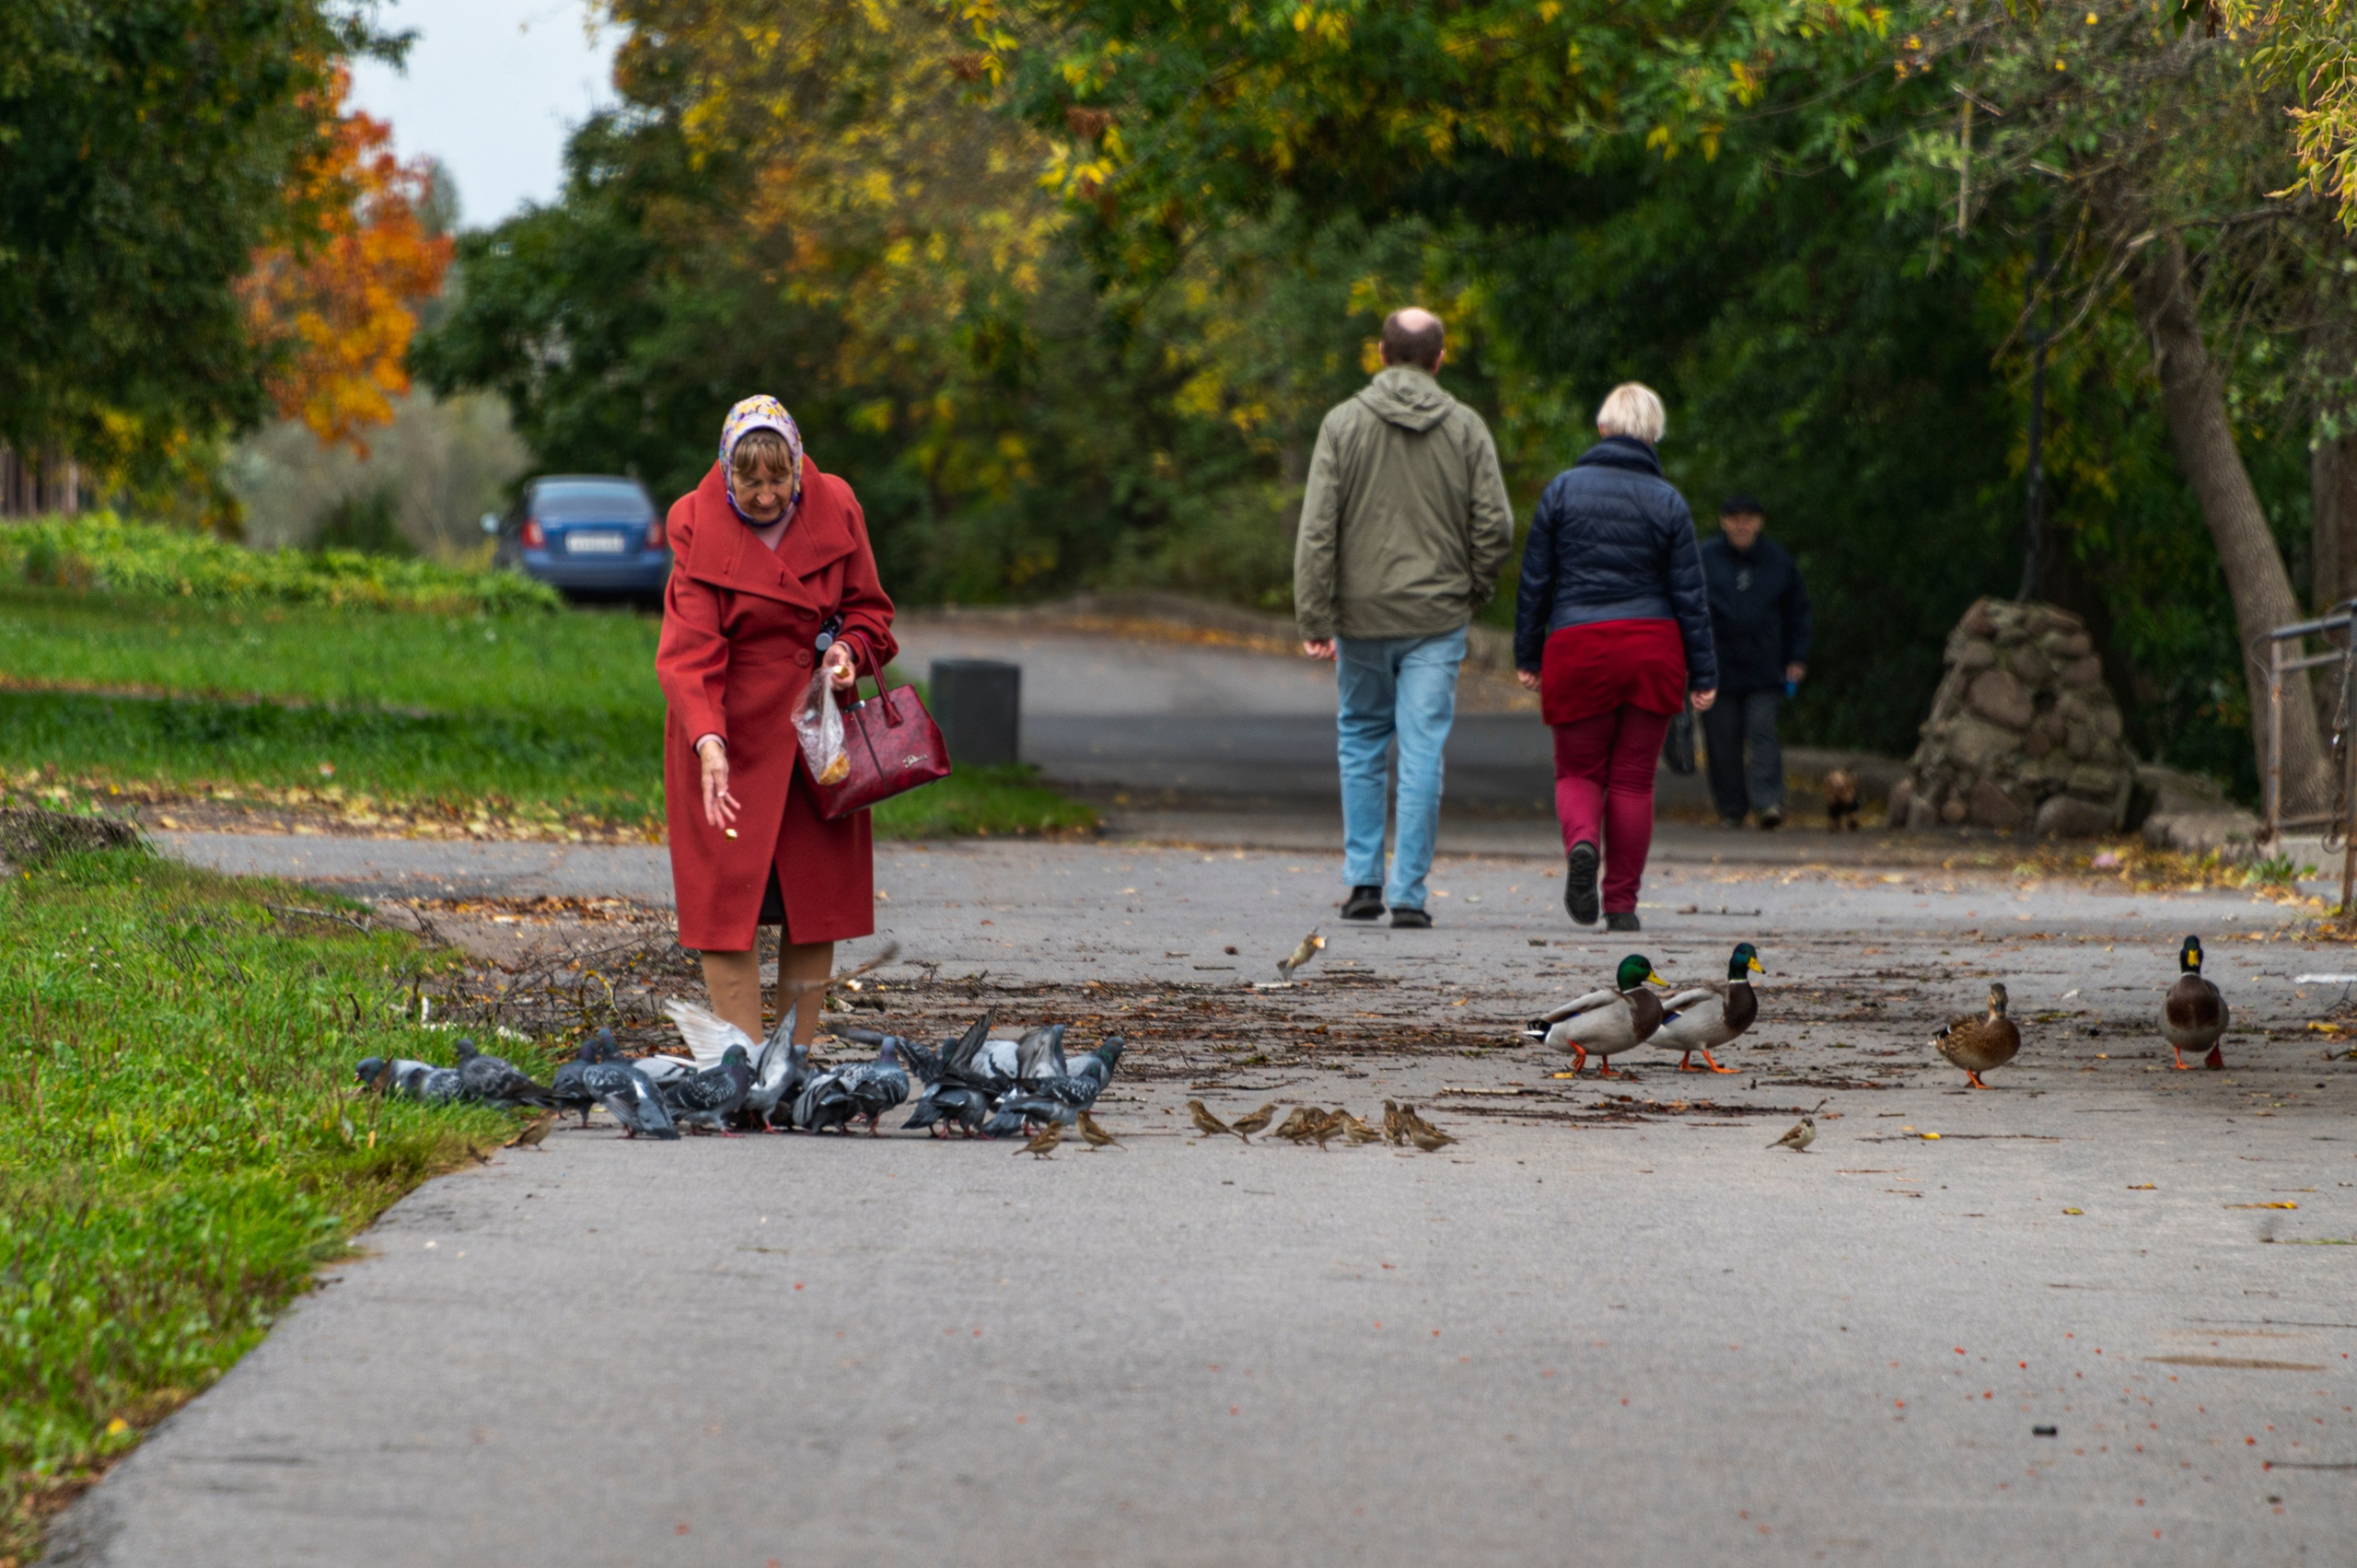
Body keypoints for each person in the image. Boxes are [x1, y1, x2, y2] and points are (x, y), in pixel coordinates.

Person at [656, 396, 898, 1047]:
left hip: (819, 735)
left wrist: (849, 649)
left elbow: (870, 609)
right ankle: (740, 1060)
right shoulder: (693, 520)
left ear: (797, 467)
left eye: (778, 479)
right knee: (723, 902)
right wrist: (708, 741)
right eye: (749, 480)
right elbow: (689, 648)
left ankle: (798, 1056)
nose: (764, 495)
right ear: (725, 470)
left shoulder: (838, 504)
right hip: (727, 735)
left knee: (813, 901)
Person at [1295, 308, 1515, 928]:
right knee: (1422, 749)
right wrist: (1473, 587)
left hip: (1360, 613)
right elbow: (1495, 525)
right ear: (1439, 358)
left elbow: (1318, 530)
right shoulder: (1467, 427)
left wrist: (1315, 612)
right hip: (1437, 615)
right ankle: (1410, 892)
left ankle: (1363, 879)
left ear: (1382, 355)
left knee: (1362, 738)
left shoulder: (1342, 423)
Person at [1513, 382, 1717, 934]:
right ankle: (1621, 904)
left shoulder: (1560, 491)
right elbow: (1689, 595)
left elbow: (1536, 582)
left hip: (1578, 643)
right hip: (1652, 647)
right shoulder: (1668, 501)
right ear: (1653, 437)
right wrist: (1704, 672)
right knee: (1632, 780)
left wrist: (1528, 653)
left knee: (1579, 769)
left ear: (1601, 430)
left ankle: (1583, 844)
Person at [1698, 494, 1811, 829]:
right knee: (1722, 740)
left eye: (1749, 517)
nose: (1742, 524)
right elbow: (1689, 610)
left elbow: (1798, 613)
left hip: (1766, 666)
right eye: (1734, 518)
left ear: (1760, 522)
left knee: (1763, 733)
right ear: (1723, 522)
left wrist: (1797, 656)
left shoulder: (1778, 560)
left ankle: (1768, 803)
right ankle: (1731, 809)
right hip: (1717, 668)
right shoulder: (1705, 559)